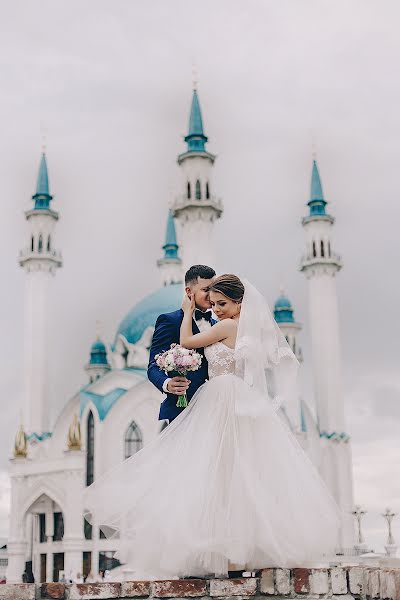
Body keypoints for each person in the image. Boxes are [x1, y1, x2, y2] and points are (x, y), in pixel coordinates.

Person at [83, 275, 340, 579]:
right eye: (213, 301)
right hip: (232, 399)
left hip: (221, 399)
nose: (216, 308)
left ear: (238, 303)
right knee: (231, 476)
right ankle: (233, 554)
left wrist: (189, 313)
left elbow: (189, 342)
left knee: (216, 473)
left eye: (221, 303)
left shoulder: (228, 325)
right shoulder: (245, 328)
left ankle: (220, 554)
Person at [148, 264, 216, 423]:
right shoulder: (170, 321)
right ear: (188, 291)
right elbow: (153, 366)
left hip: (213, 410)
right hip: (181, 411)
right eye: (206, 290)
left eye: (214, 289)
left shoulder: (217, 324)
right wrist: (167, 383)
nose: (211, 294)